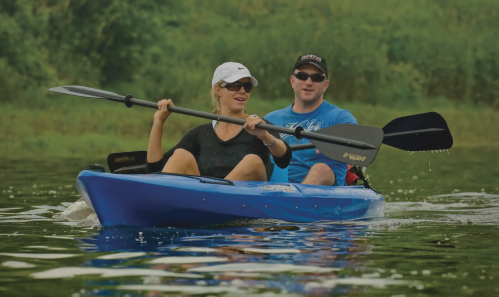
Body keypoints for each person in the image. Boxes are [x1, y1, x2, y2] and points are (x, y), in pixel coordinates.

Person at [145, 62, 292, 181]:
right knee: (180, 156)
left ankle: (209, 202)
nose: (242, 91)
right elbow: (155, 169)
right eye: (235, 85)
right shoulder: (200, 134)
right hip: (205, 201)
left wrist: (265, 136)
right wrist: (159, 122)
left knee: (252, 162)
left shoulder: (259, 126)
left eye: (247, 87)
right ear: (218, 89)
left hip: (245, 203)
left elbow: (284, 158)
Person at [265, 54, 357, 186]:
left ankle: (293, 203)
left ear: (325, 85)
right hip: (277, 192)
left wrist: (338, 146)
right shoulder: (270, 119)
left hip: (328, 195)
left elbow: (357, 150)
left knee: (321, 169)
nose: (308, 82)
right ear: (292, 81)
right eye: (302, 76)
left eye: (316, 78)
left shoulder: (340, 118)